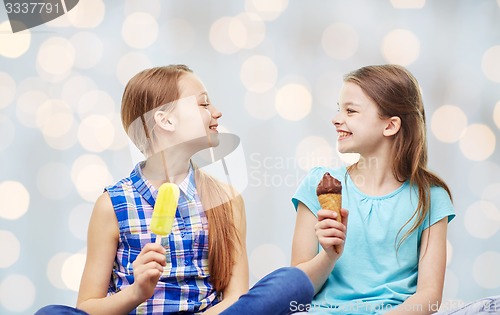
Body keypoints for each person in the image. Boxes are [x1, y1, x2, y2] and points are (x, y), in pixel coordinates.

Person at [36, 65, 313, 315]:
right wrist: (137, 292)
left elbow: (236, 298)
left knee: (293, 282)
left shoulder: (226, 200)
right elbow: (87, 307)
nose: (216, 112)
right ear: (166, 120)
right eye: (203, 104)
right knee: (51, 314)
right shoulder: (113, 205)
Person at [290, 64, 455, 314]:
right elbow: (296, 292)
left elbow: (429, 296)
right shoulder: (319, 185)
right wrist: (328, 256)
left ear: (390, 126)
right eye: (339, 110)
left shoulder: (430, 198)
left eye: (351, 111)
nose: (336, 119)